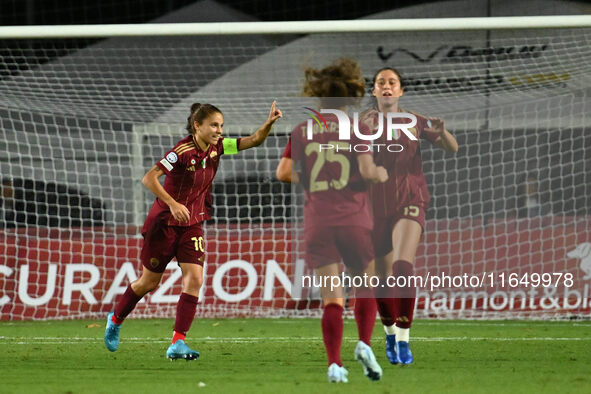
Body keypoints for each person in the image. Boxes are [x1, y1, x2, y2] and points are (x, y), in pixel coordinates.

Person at [104, 101, 282, 360]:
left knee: (195, 279)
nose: (219, 130)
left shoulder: (218, 148)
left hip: (192, 223)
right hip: (164, 224)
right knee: (148, 283)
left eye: (221, 125)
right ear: (197, 126)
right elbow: (149, 178)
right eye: (213, 125)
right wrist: (173, 203)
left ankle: (177, 343)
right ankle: (116, 319)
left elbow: (254, 140)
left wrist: (268, 124)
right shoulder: (181, 151)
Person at [276, 58, 388, 383]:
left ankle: (334, 364)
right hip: (353, 219)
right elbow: (367, 171)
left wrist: (310, 179)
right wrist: (378, 173)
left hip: (318, 223)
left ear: (319, 97)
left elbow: (283, 173)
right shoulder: (358, 128)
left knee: (331, 296)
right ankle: (365, 344)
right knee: (366, 283)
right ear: (350, 96)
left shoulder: (302, 129)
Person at [362, 67, 458, 365]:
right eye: (382, 83)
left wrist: (441, 133)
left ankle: (403, 339)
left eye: (393, 83)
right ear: (374, 91)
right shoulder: (361, 123)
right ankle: (390, 332)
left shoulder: (415, 121)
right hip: (373, 206)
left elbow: (452, 148)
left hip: (411, 200)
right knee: (380, 278)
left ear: (401, 91)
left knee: (403, 266)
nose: (387, 87)